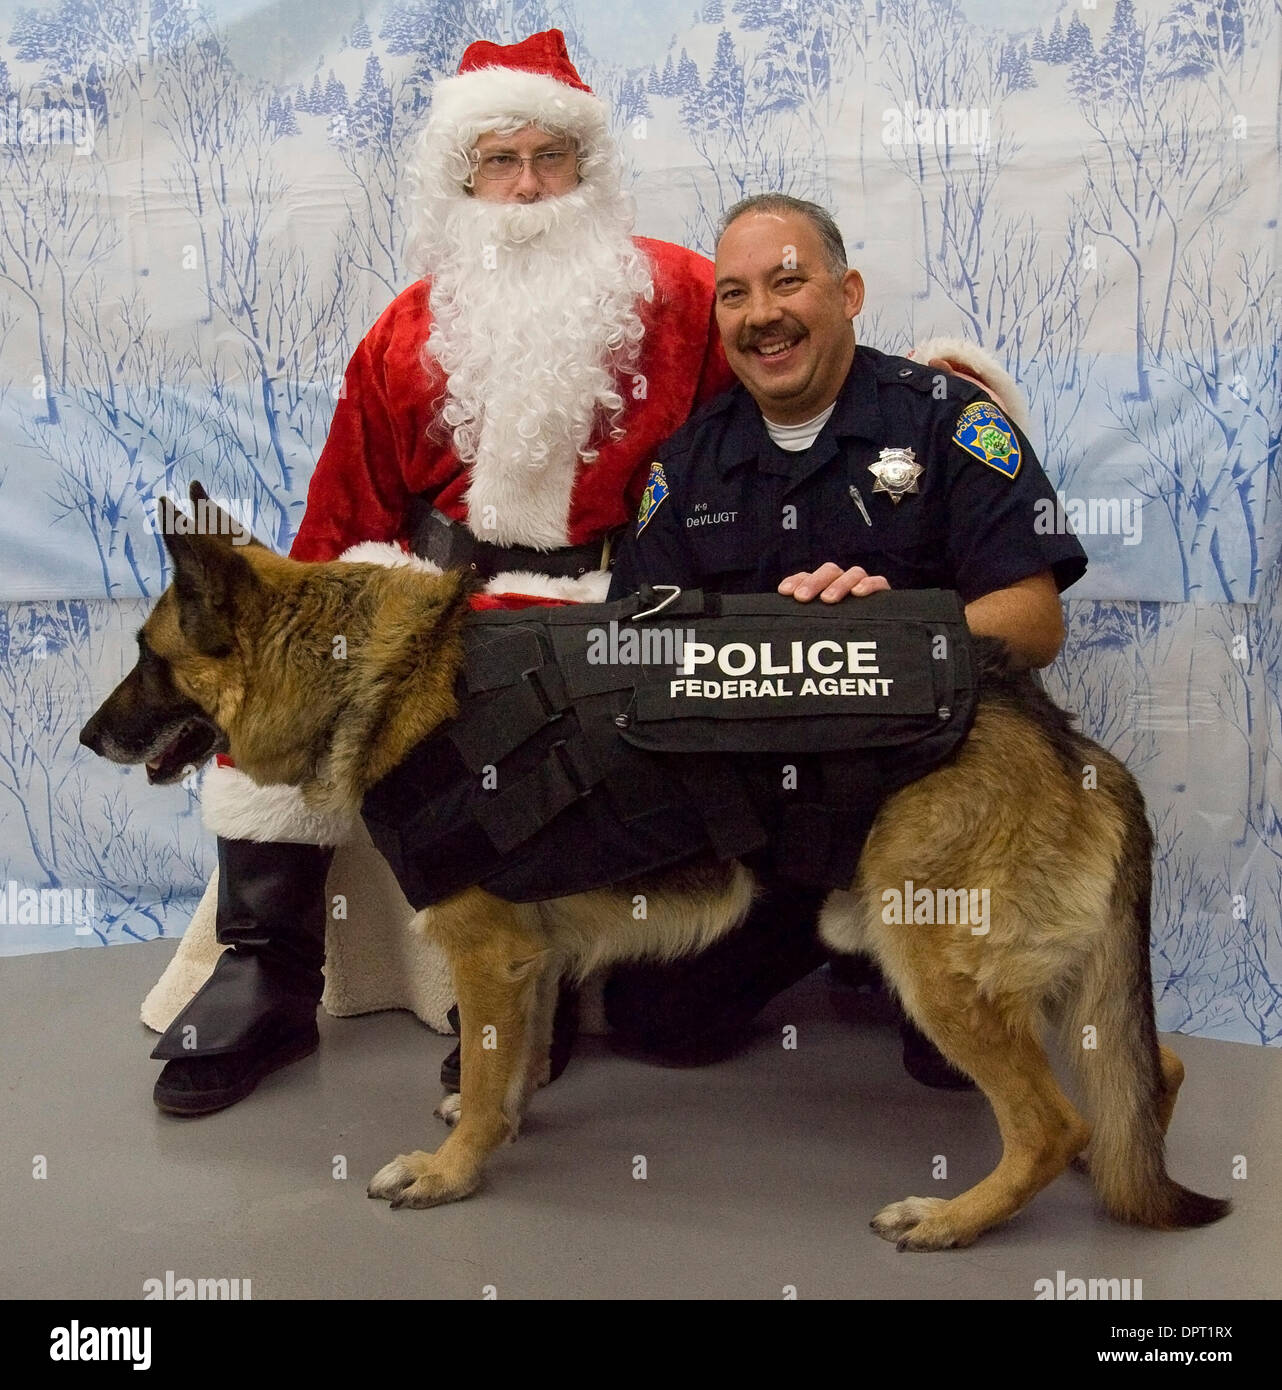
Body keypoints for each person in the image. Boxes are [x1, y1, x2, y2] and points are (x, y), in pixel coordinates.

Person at [142, 29, 735, 1115]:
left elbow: (800, 376)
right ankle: (268, 971)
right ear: (461, 179)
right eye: (496, 162)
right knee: (283, 711)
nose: (523, 186)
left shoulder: (688, 298)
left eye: (547, 157)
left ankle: (511, 1003)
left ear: (585, 170)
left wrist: (933, 397)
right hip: (432, 601)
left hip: (614, 600)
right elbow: (340, 514)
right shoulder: (405, 330)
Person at [602, 192, 1089, 1083]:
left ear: (849, 291)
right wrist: (761, 640)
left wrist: (888, 630)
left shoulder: (948, 421)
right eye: (736, 295)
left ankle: (889, 946)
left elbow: (1034, 620)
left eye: (788, 282)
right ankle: (834, 944)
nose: (763, 316)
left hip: (933, 819)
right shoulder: (684, 465)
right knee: (654, 1020)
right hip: (771, 824)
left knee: (954, 1061)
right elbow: (632, 648)